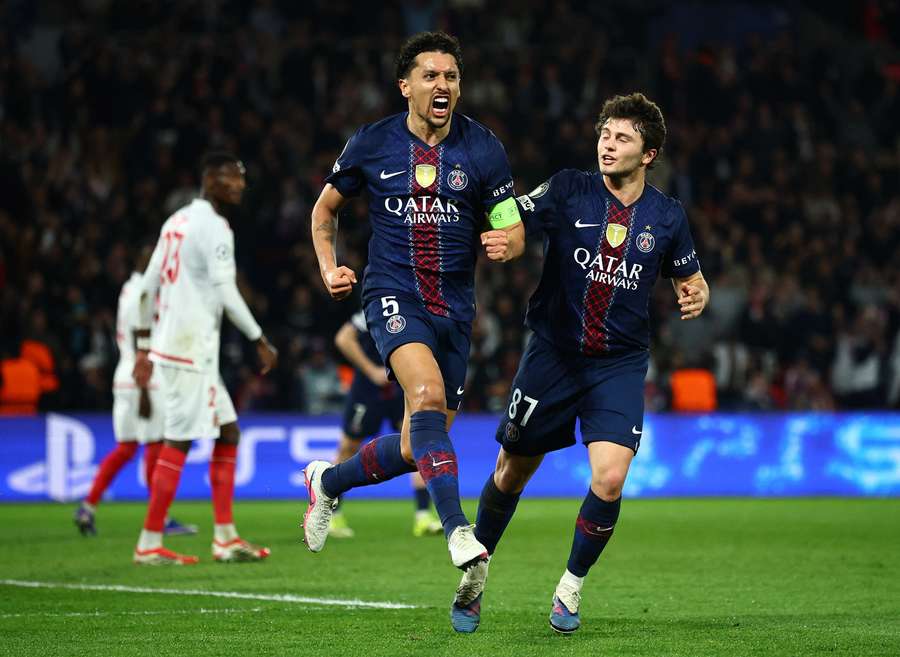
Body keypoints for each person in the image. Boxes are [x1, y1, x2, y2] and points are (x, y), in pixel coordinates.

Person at [449, 93, 709, 634]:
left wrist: (696, 291)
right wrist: (500, 230)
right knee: (512, 470)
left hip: (617, 364)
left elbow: (690, 276)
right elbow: (514, 212)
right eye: (605, 135)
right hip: (553, 356)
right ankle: (475, 575)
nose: (609, 146)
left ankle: (570, 587)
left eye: (623, 139)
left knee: (610, 479)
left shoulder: (667, 215)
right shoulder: (569, 188)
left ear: (649, 153)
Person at [303, 31, 525, 572]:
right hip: (393, 294)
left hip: (455, 309)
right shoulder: (371, 143)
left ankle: (327, 481)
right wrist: (330, 268)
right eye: (430, 75)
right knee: (424, 394)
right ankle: (458, 534)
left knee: (414, 445)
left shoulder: (483, 148)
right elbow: (324, 212)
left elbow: (513, 228)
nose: (442, 84)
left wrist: (508, 242)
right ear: (405, 86)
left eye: (450, 76)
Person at [131, 152, 278, 565]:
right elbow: (226, 291)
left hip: (184, 350)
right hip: (189, 351)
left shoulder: (175, 221)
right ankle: (149, 542)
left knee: (228, 432)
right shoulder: (214, 227)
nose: (240, 186)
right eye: (233, 178)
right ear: (209, 178)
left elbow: (146, 288)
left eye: (242, 178)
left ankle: (225, 538)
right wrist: (258, 337)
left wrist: (144, 346)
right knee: (178, 440)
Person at [74, 246, 196, 537]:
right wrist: (144, 386)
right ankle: (160, 518)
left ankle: (88, 506)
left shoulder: (127, 290)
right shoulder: (144, 292)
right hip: (145, 378)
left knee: (126, 448)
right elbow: (139, 335)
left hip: (124, 376)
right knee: (155, 447)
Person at [329, 310, 442, 539]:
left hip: (401, 386)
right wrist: (371, 370)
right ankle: (332, 515)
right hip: (367, 389)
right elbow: (343, 338)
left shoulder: (420, 306)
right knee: (348, 447)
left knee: (417, 443)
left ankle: (423, 516)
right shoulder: (378, 306)